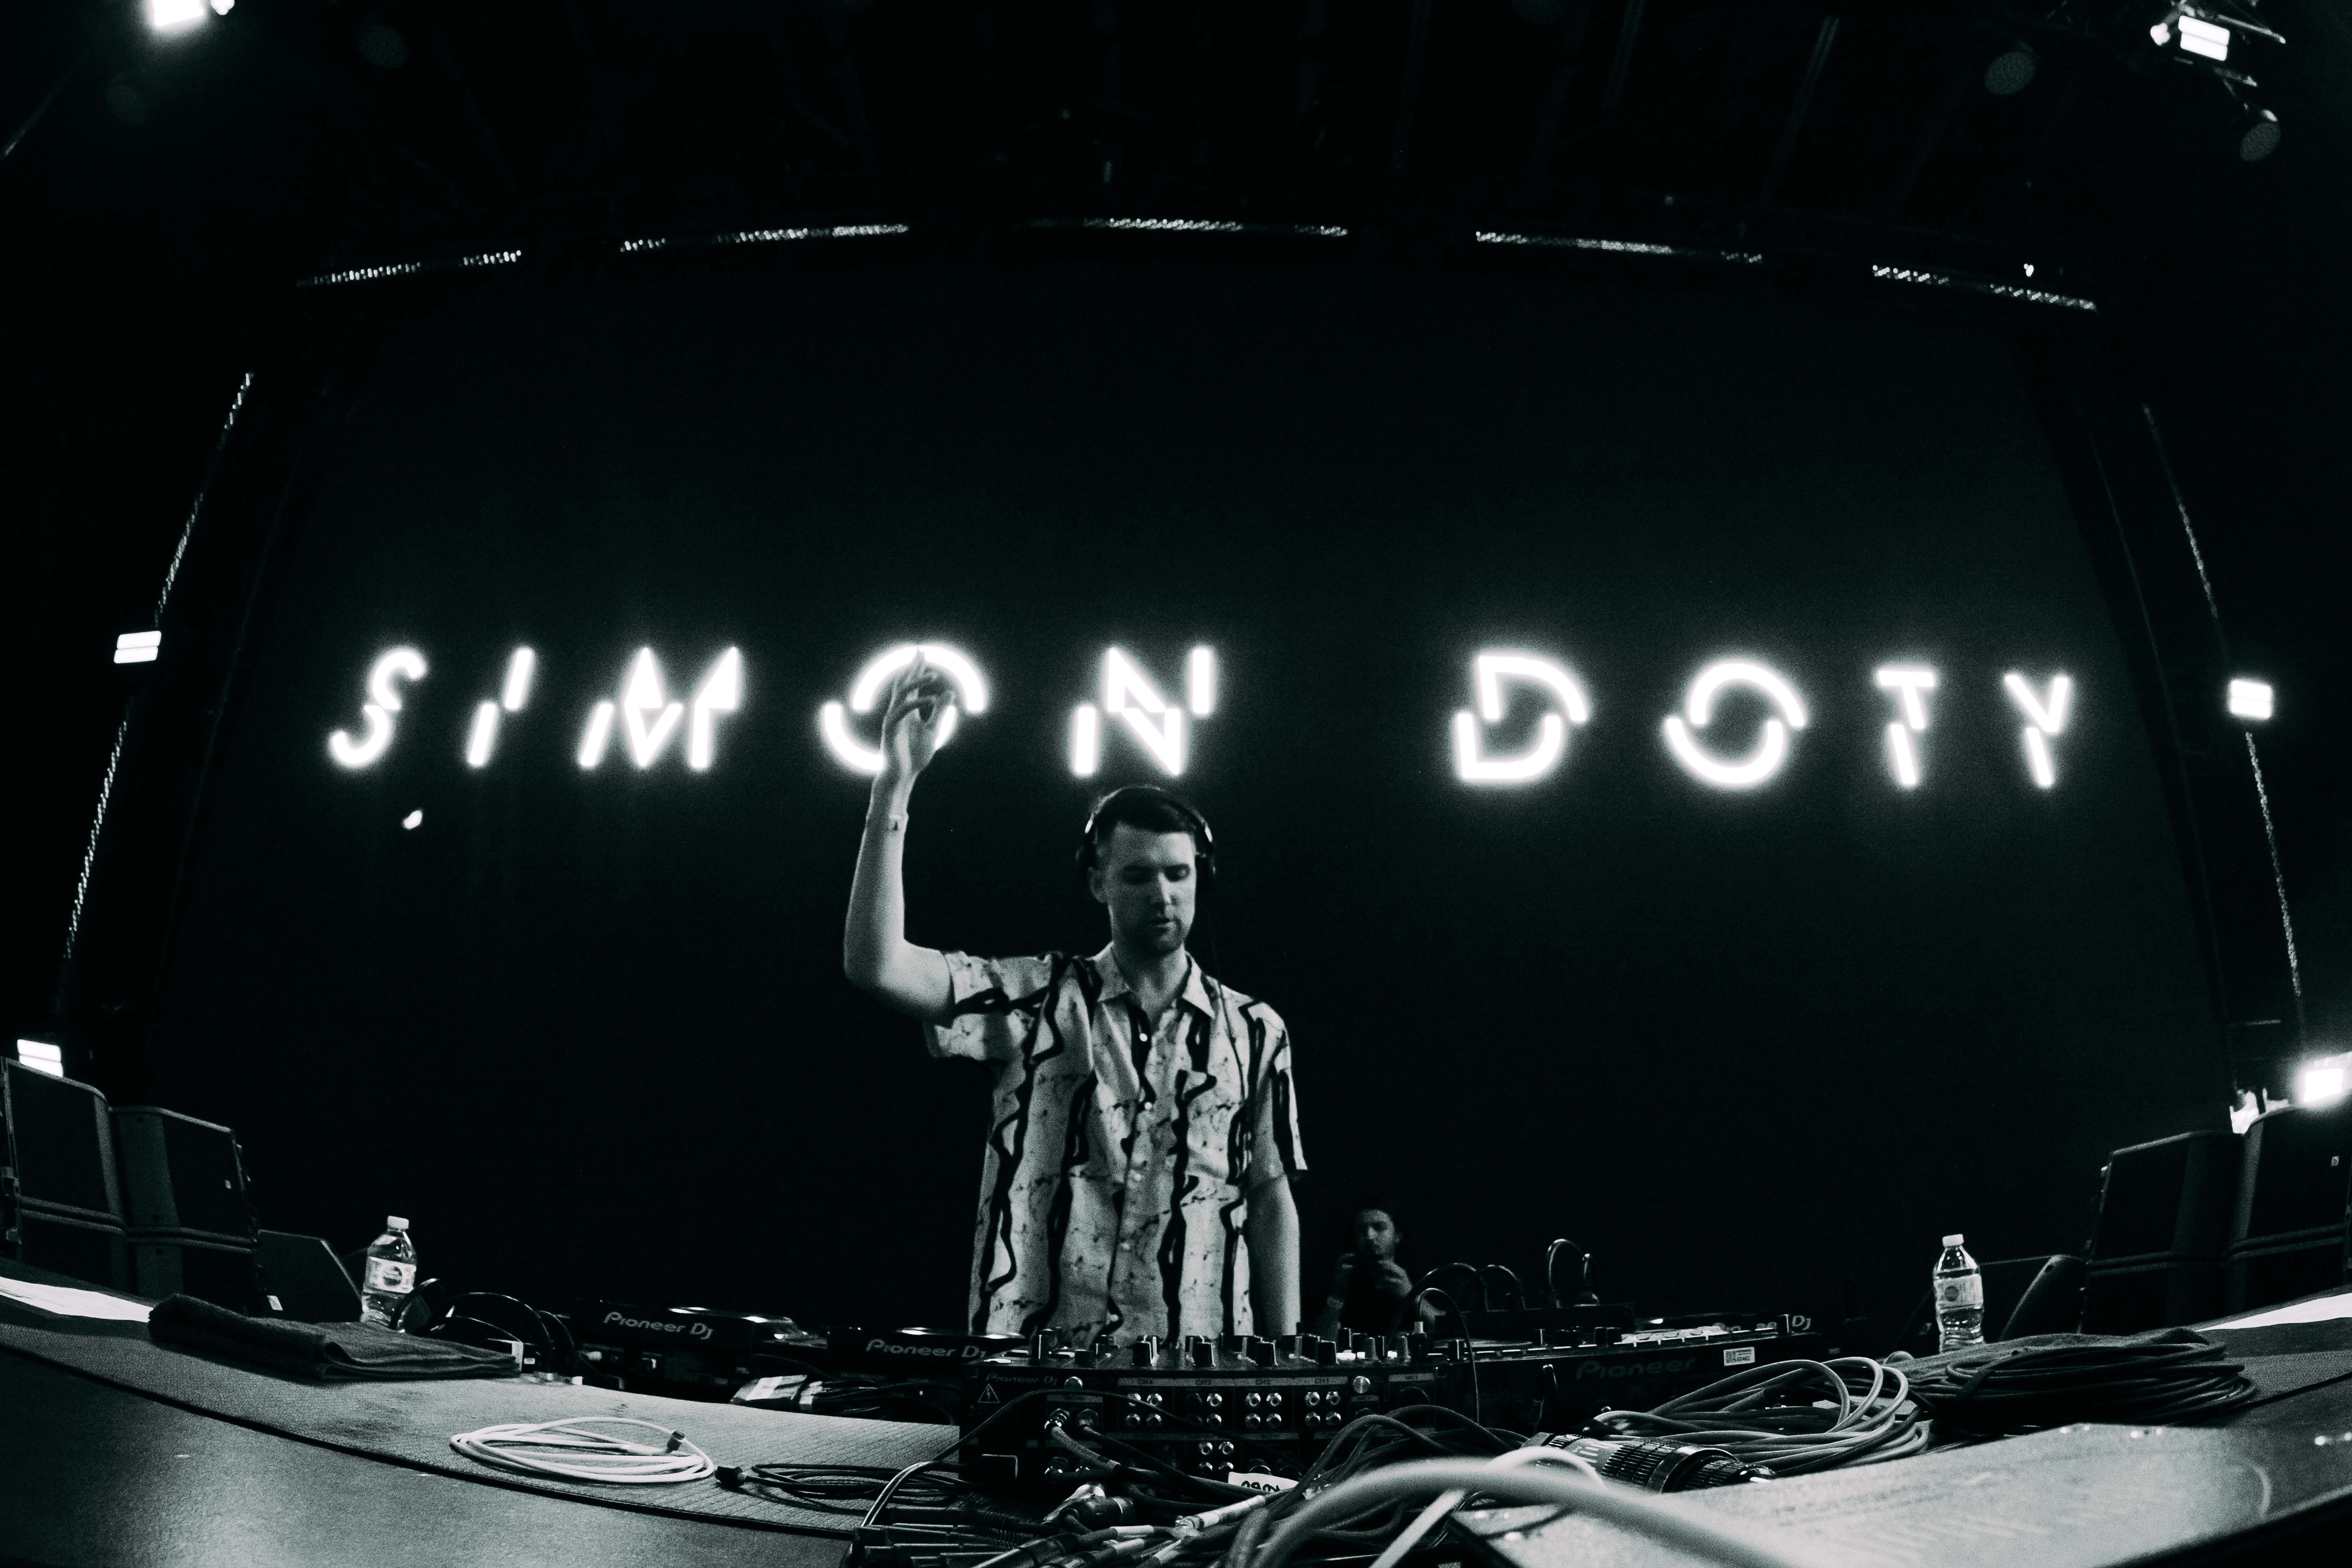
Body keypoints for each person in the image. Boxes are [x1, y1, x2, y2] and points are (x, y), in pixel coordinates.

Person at [842, 660, 1304, 1348]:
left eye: (1178, 874)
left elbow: (1270, 1199)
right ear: (1097, 883)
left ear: (1200, 878)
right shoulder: (1034, 999)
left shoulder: (1255, 1030)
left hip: (1196, 1365)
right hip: (1036, 1362)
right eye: (1138, 875)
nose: (1163, 894)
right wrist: (895, 783)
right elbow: (876, 964)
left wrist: (1290, 1355)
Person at [1310, 1203, 1441, 1339]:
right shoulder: (1343, 1276)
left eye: (1379, 1228)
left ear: (1397, 1236)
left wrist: (1411, 1294)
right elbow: (1320, 1342)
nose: (1369, 1236)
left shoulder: (1420, 1275)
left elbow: (1449, 1329)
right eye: (1362, 1230)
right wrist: (1337, 1295)